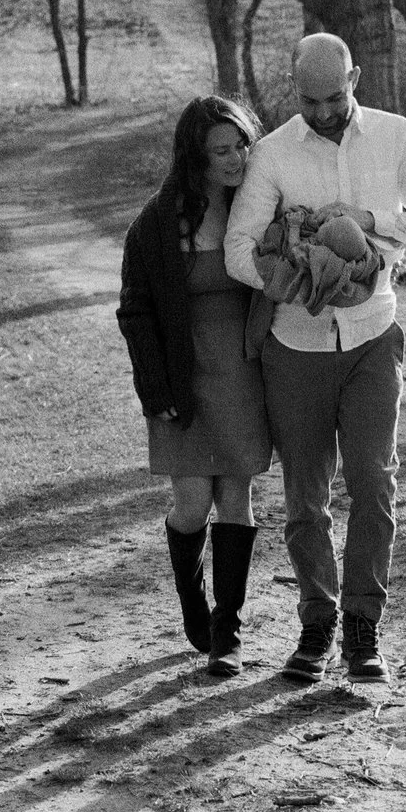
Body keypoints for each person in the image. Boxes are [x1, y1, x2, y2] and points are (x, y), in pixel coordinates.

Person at [224, 34, 406, 684]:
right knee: (304, 499)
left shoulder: (395, 136)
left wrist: (370, 218)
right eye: (310, 99)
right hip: (294, 348)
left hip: (374, 338)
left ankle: (362, 630)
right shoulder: (272, 153)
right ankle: (317, 623)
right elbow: (240, 243)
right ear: (294, 88)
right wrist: (280, 273)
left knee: (374, 482)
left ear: (355, 75)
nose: (324, 110)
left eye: (336, 95)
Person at [118, 96, 273, 677]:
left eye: (241, 146)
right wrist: (153, 390)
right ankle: (193, 597)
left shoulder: (254, 210)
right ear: (196, 157)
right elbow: (136, 313)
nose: (235, 160)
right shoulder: (156, 224)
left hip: (241, 374)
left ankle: (227, 632)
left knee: (236, 497)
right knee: (191, 505)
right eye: (221, 151)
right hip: (181, 378)